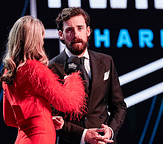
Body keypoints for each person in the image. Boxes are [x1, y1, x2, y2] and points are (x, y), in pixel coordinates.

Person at [0, 15, 87, 144]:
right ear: (35, 39)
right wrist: (72, 80)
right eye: (41, 36)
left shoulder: (8, 72)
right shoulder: (35, 69)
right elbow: (68, 103)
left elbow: (10, 119)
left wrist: (45, 118)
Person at [49, 7, 127, 144]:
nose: (76, 34)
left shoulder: (106, 61)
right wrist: (84, 135)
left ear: (88, 31)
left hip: (104, 141)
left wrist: (111, 130)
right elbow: (52, 116)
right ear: (61, 35)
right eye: (69, 30)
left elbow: (119, 105)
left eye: (80, 28)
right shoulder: (52, 68)